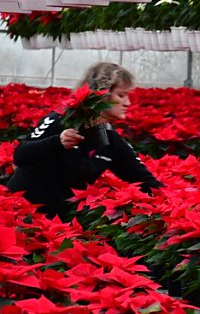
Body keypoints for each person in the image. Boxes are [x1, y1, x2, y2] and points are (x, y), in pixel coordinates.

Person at [6, 62, 162, 220]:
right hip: (19, 214)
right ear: (102, 94)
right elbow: (21, 155)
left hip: (56, 220)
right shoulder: (60, 120)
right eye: (121, 95)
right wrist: (57, 142)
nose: (128, 103)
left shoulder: (109, 138)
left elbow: (142, 179)